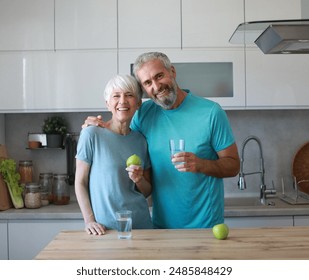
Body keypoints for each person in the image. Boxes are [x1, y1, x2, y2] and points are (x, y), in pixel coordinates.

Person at [83, 52, 240, 229]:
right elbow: (121, 132)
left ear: (172, 71)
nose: (156, 86)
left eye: (159, 76)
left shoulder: (211, 112)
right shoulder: (144, 114)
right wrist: (96, 125)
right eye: (148, 83)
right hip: (161, 227)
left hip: (205, 226)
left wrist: (201, 164)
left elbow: (233, 165)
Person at [75, 74, 153, 235]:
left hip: (142, 226)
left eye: (129, 95)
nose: (123, 101)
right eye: (116, 96)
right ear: (107, 103)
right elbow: (80, 182)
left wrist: (139, 180)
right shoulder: (91, 134)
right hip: (105, 230)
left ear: (138, 103)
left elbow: (146, 191)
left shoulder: (141, 140)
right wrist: (89, 220)